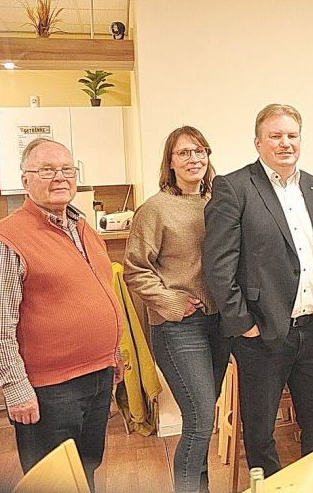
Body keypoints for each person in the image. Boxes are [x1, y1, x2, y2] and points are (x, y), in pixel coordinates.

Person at [203, 104, 313, 475]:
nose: (285, 143)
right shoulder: (234, 188)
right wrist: (244, 324)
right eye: (275, 136)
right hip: (262, 337)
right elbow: (219, 266)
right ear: (258, 142)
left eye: (292, 135)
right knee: (262, 435)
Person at [0, 138, 123, 490]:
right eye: (47, 170)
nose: (60, 177)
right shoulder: (6, 239)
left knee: (85, 469)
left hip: (98, 376)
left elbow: (101, 296)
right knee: (54, 482)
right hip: (49, 390)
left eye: (67, 169)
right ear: (25, 180)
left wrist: (112, 355)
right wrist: (16, 389)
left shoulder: (84, 228)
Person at [124, 126, 230, 493]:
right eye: (184, 152)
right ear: (170, 161)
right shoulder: (154, 209)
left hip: (218, 323)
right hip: (179, 326)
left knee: (204, 420)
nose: (194, 159)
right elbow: (135, 270)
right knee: (200, 418)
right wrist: (172, 301)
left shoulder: (219, 202)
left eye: (200, 151)